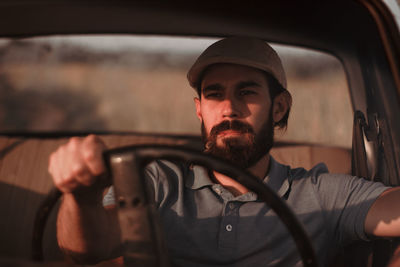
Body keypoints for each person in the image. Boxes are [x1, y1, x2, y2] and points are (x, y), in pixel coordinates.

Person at [48, 37, 400, 266]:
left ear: (279, 108)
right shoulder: (157, 181)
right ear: (199, 109)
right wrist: (81, 197)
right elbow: (85, 250)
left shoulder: (321, 194)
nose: (229, 108)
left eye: (247, 92)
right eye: (215, 94)